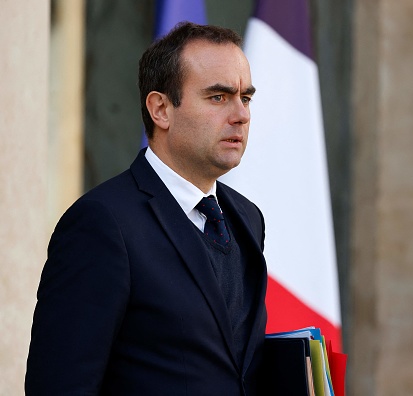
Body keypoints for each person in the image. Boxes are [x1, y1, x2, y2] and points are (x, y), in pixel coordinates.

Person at [25, 22, 267, 395]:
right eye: (218, 97)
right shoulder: (102, 223)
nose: (241, 115)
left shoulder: (247, 218)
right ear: (160, 109)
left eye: (245, 98)